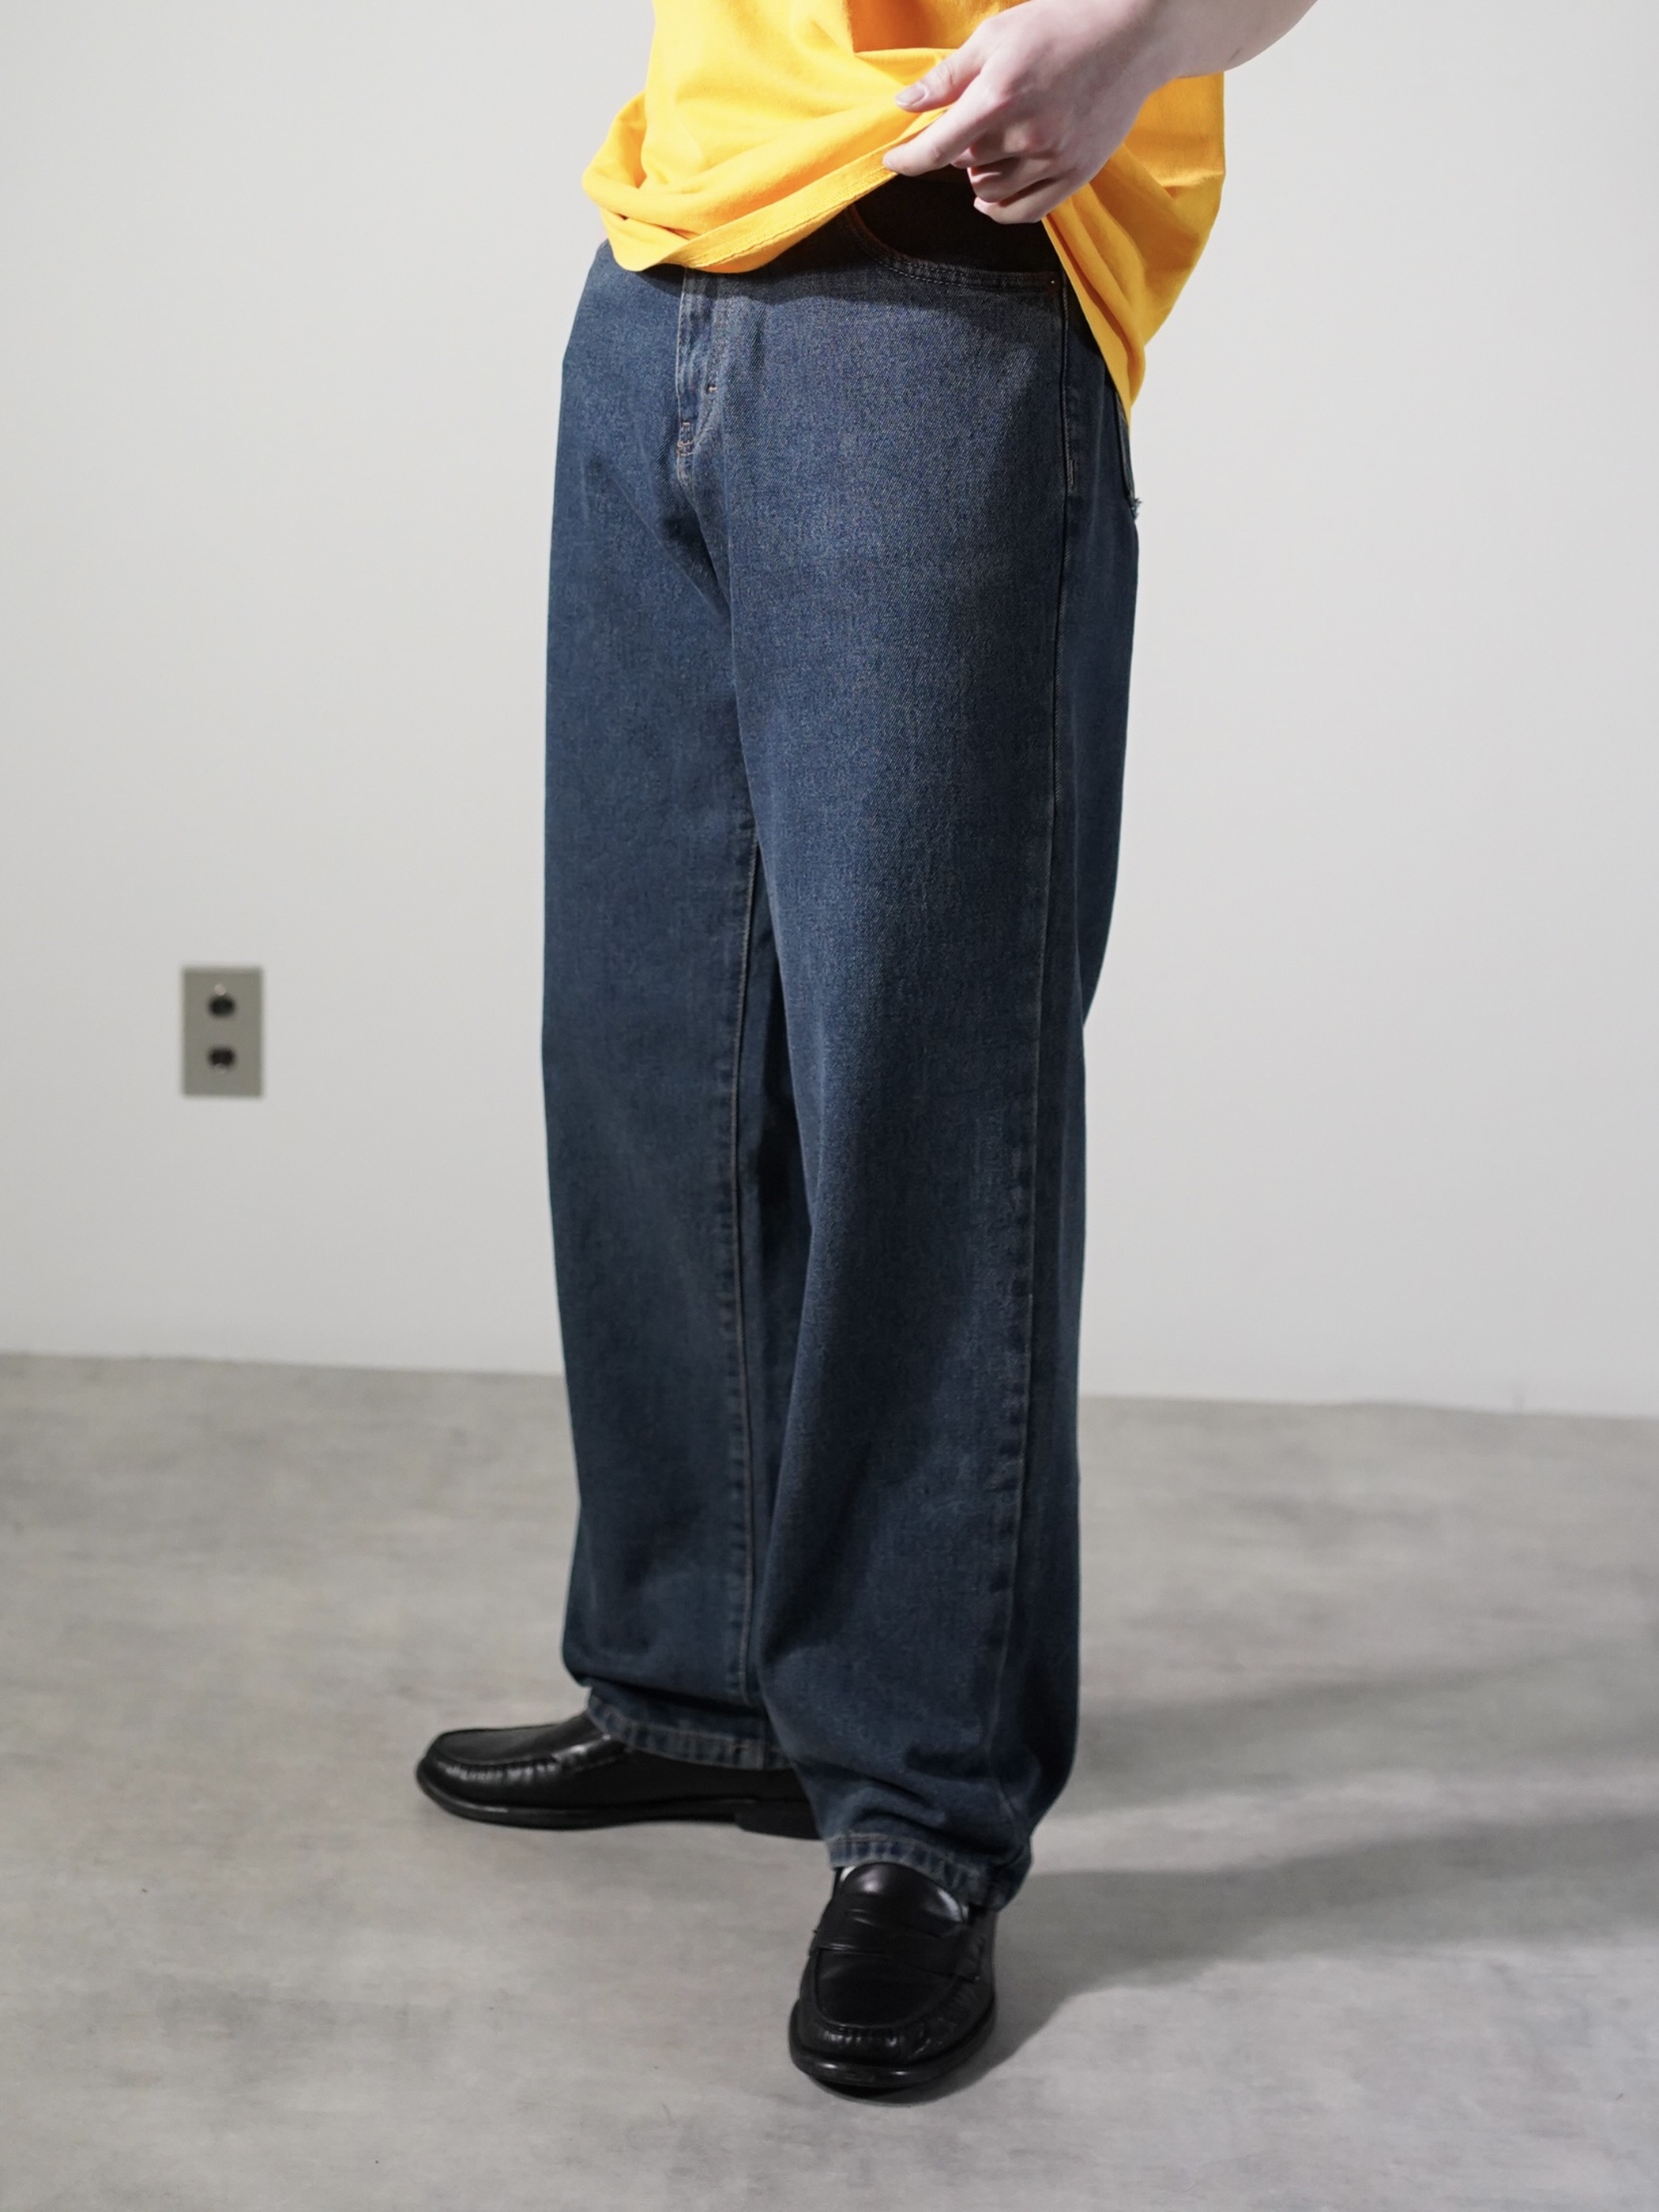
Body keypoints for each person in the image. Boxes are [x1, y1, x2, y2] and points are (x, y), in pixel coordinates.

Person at [418, 0, 1319, 2097]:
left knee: (925, 1086)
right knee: (650, 1047)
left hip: (938, 275)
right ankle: (701, 1682)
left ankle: (919, 1805)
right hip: (659, 269)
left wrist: (1136, 33)